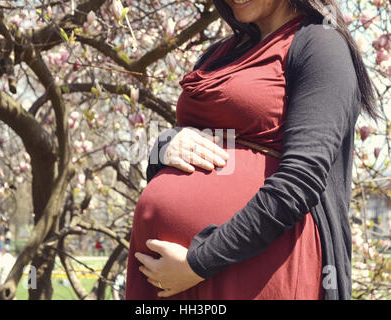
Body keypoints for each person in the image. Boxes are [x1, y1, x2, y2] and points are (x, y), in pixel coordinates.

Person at [126, 0, 379, 300]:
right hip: (170, 274)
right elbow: (198, 139)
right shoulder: (218, 55)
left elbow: (301, 180)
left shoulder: (320, 44)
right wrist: (164, 145)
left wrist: (199, 262)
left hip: (252, 267)